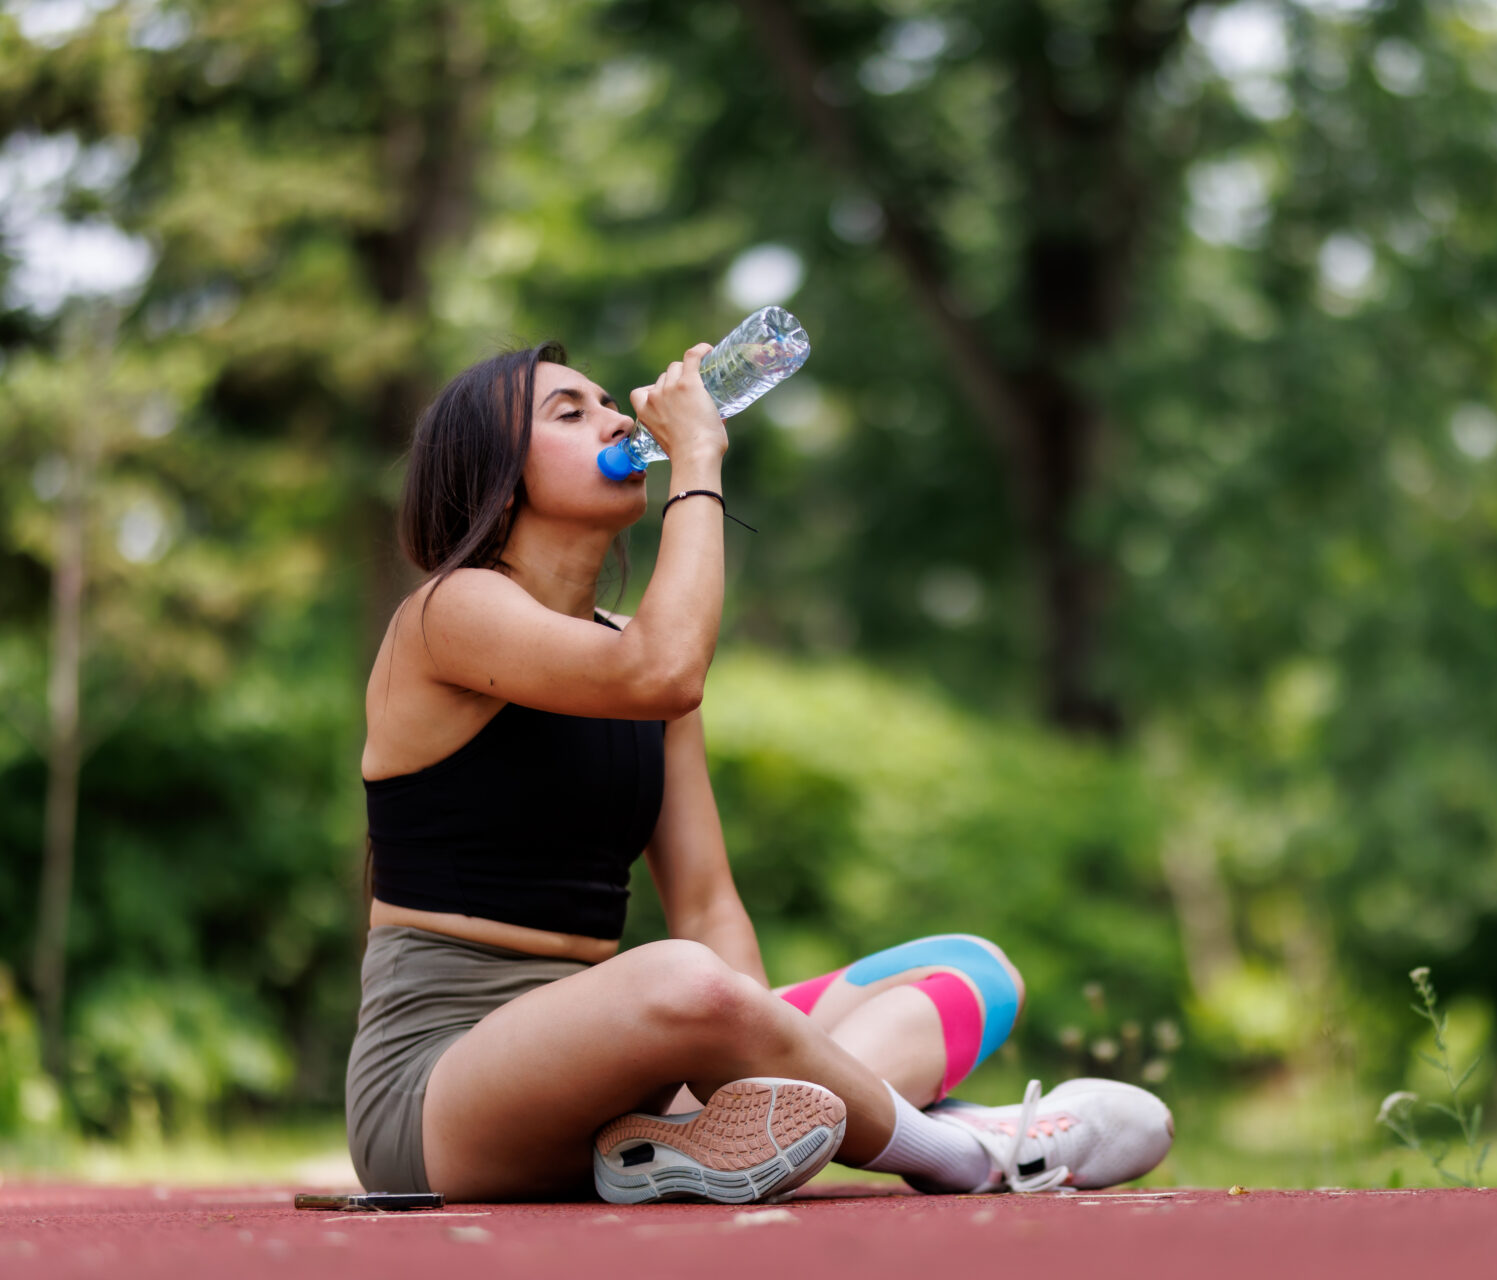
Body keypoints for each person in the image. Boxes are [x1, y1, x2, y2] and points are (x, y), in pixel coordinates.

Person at [344, 341, 1175, 1205]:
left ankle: (697, 1142)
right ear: (496, 478)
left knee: (970, 971)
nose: (619, 419)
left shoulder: (642, 654)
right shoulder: (452, 611)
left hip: (628, 1073)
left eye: (606, 401)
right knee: (676, 976)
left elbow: (707, 903)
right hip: (439, 1097)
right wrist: (698, 456)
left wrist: (736, 1069)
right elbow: (667, 672)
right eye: (571, 411)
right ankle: (973, 1150)